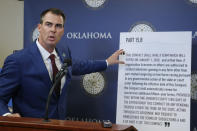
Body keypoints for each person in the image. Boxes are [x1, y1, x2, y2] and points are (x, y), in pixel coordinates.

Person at [0, 8, 124, 119]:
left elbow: (79, 66)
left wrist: (107, 62)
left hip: (60, 124)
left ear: (63, 30)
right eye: (48, 24)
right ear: (39, 27)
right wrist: (6, 115)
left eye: (58, 26)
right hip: (31, 127)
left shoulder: (64, 52)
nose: (53, 30)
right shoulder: (17, 60)